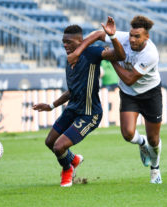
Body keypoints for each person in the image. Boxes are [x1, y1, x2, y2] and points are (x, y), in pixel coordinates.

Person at [68, 15, 163, 184]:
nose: (132, 39)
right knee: (127, 134)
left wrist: (112, 59)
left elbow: (129, 78)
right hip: (129, 94)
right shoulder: (124, 38)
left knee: (154, 140)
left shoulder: (151, 54)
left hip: (150, 94)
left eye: (137, 37)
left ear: (147, 37)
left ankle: (155, 169)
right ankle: (141, 143)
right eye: (131, 35)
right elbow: (98, 34)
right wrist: (78, 51)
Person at [32, 24, 124, 187]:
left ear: (80, 40)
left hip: (90, 114)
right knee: (50, 142)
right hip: (72, 109)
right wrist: (51, 105)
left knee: (59, 147)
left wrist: (113, 37)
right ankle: (73, 160)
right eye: (63, 42)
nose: (65, 46)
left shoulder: (92, 52)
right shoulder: (69, 61)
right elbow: (71, 91)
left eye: (69, 42)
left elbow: (119, 55)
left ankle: (67, 169)